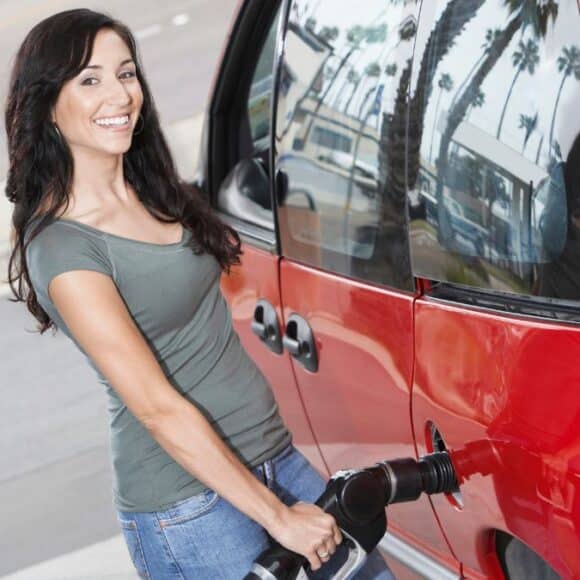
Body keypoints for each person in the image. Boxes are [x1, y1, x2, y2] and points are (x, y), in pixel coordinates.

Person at [4, 9, 395, 579]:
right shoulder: (63, 249)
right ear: (48, 106)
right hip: (189, 506)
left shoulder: (154, 189)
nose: (119, 94)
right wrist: (279, 519)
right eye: (89, 80)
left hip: (274, 458)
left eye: (126, 73)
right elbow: (157, 410)